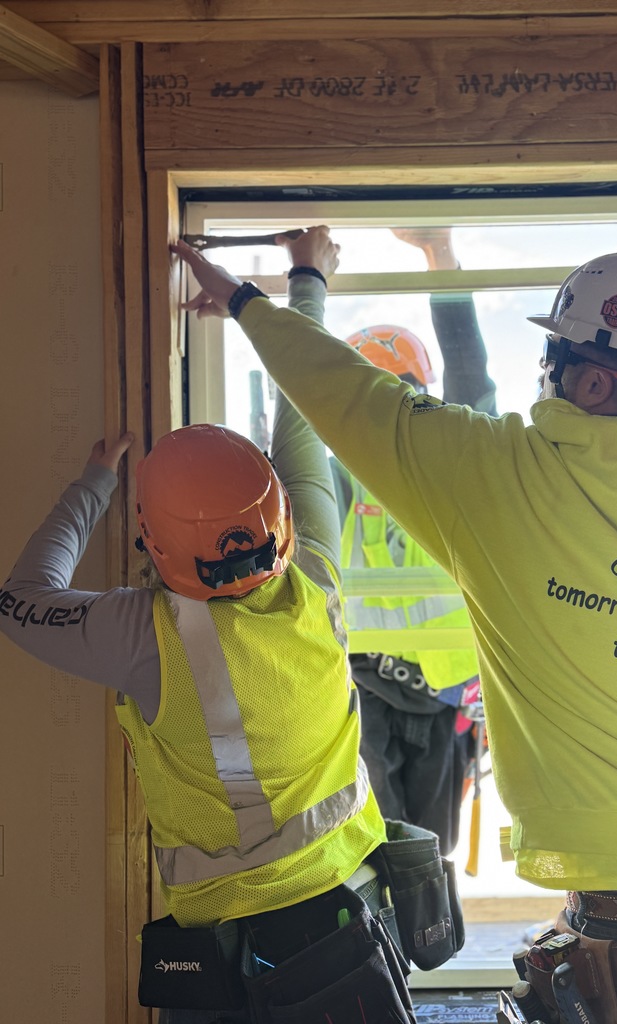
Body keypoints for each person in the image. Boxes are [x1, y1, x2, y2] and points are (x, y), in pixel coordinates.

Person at [173, 238, 617, 1024]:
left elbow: (344, 392)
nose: (542, 370)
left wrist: (250, 302)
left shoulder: (497, 477)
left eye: (554, 353)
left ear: (593, 380)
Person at [0, 228, 418, 1024]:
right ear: (282, 521)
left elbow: (21, 598)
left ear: (154, 545)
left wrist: (95, 480)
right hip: (355, 910)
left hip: (234, 956)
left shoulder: (140, 636)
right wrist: (303, 281)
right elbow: (303, 419)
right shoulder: (319, 575)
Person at [334, 227, 496, 855]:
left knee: (430, 853)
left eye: (403, 391)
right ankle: (380, 953)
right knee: (372, 847)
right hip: (362, 687)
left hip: (445, 693)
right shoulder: (332, 477)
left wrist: (441, 259)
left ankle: (420, 949)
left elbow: (470, 371)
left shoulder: (456, 463)